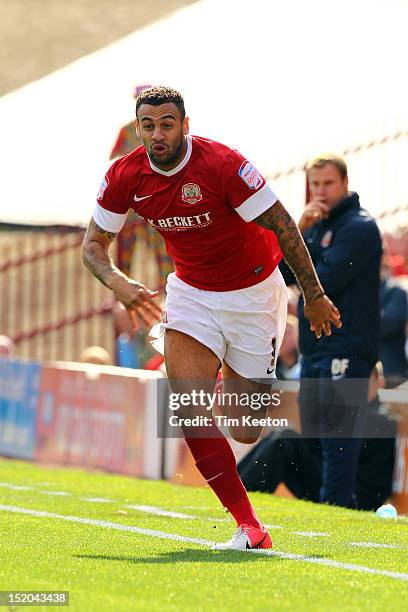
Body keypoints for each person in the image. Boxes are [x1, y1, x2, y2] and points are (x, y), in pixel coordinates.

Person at [82, 86, 341, 551]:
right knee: (187, 406)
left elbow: (282, 223)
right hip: (192, 294)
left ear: (185, 125)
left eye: (166, 124)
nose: (157, 134)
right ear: (137, 129)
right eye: (148, 125)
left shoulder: (223, 165)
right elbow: (93, 246)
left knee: (245, 428)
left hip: (254, 295)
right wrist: (120, 285)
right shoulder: (125, 174)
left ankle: (221, 378)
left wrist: (315, 295)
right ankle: (249, 526)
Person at [281, 154, 382, 508]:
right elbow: (283, 274)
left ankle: (335, 514)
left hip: (347, 347)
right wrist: (299, 231)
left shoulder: (359, 227)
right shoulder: (314, 225)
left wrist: (304, 249)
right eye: (315, 184)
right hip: (315, 348)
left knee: (338, 444)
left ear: (345, 183)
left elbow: (324, 279)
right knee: (313, 441)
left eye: (328, 183)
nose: (320, 191)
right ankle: (328, 514)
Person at [238, 363, 396, 511]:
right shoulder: (356, 412)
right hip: (338, 483)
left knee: (285, 440)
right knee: (282, 436)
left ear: (379, 382)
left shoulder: (381, 419)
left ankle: (239, 497)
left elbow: (334, 448)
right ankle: (234, 486)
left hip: (355, 497)